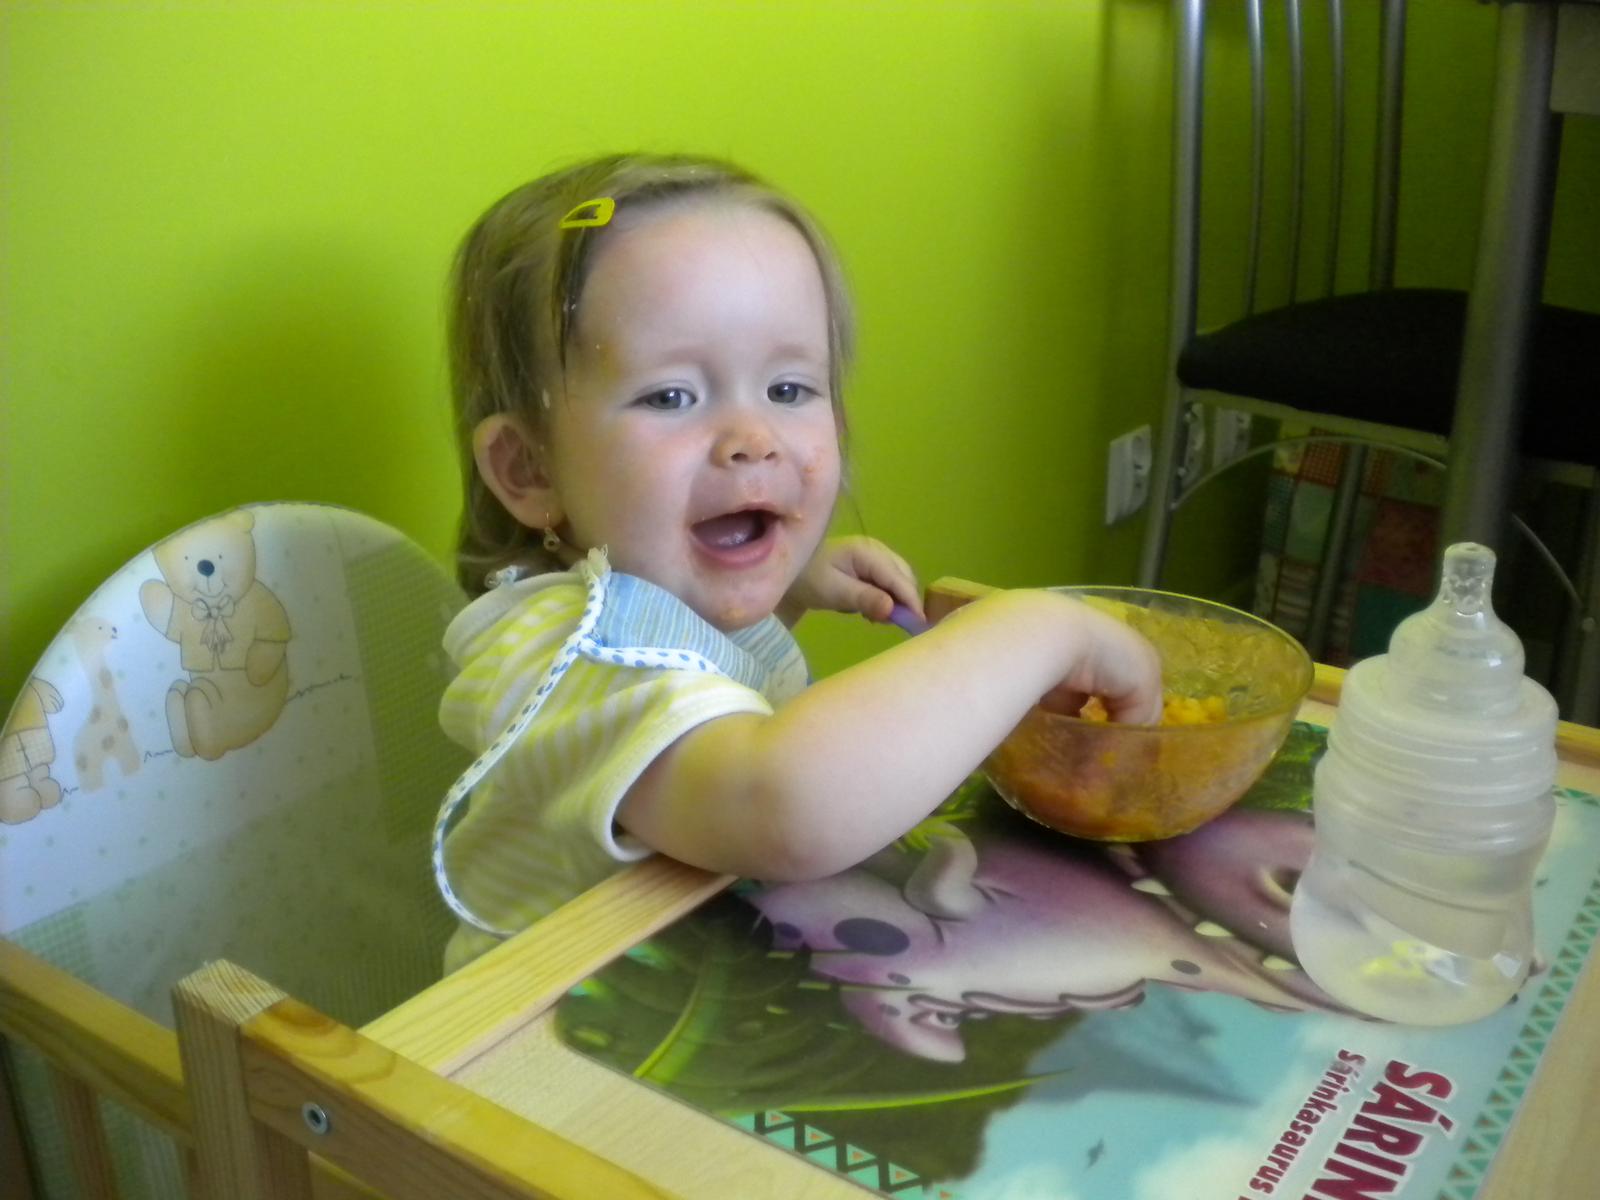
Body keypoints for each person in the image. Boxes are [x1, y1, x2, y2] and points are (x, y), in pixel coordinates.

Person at [432, 153, 1162, 971]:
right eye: (671, 396)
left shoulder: (649, 603)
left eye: (788, 389)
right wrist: (1037, 630)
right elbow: (782, 806)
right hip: (538, 1039)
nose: (754, 439)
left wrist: (778, 599)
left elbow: (688, 693)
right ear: (529, 469)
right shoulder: (561, 650)